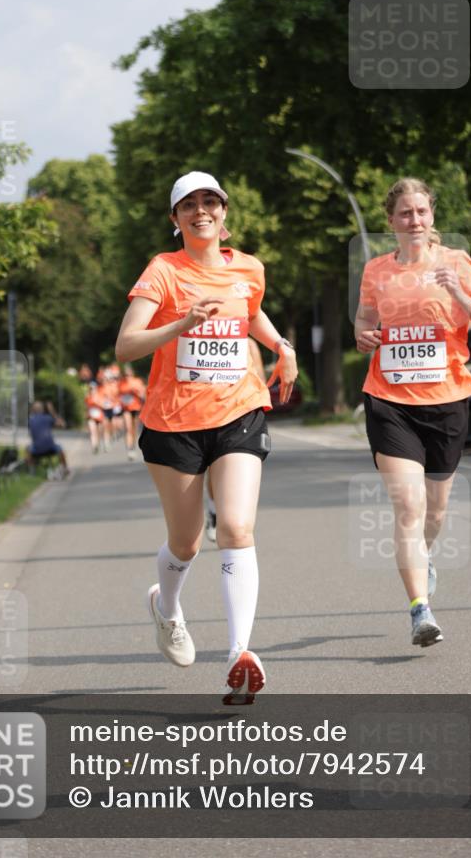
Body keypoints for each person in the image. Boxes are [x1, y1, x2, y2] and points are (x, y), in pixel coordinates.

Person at [115, 170, 297, 704]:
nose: (201, 211)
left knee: (237, 526)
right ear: (176, 218)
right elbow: (126, 345)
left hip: (239, 410)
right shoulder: (163, 271)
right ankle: (166, 607)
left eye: (210, 202)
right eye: (189, 204)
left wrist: (282, 347)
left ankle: (239, 653)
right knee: (187, 542)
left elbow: (251, 312)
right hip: (174, 421)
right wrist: (180, 324)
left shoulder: (249, 268)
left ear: (224, 211)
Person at [354, 177, 471, 648]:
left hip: (446, 400)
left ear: (431, 215)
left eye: (421, 211)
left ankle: (424, 557)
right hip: (389, 400)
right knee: (409, 505)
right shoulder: (377, 270)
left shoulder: (456, 263)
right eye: (405, 213)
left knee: (434, 512)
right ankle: (420, 610)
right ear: (391, 220)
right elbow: (365, 319)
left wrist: (460, 293)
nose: (414, 219)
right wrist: (363, 335)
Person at [206, 338, 266, 542]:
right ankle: (214, 509)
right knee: (212, 472)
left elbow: (259, 380)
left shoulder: (249, 344)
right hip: (204, 414)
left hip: (237, 416)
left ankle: (224, 516)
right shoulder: (199, 338)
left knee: (224, 469)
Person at [26, 400, 70, 476]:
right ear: (43, 410)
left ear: (33, 410)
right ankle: (65, 468)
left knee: (27, 449)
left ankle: (31, 471)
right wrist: (52, 411)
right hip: (50, 447)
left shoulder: (30, 420)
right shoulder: (48, 418)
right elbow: (62, 424)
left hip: (36, 449)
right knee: (61, 449)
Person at [118, 364, 147, 461]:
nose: (127, 376)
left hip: (136, 407)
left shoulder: (137, 382)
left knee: (134, 429)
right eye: (125, 375)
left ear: (132, 373)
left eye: (129, 374)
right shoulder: (121, 383)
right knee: (128, 427)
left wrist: (136, 392)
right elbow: (117, 395)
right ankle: (129, 448)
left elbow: (143, 395)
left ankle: (133, 446)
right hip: (125, 408)